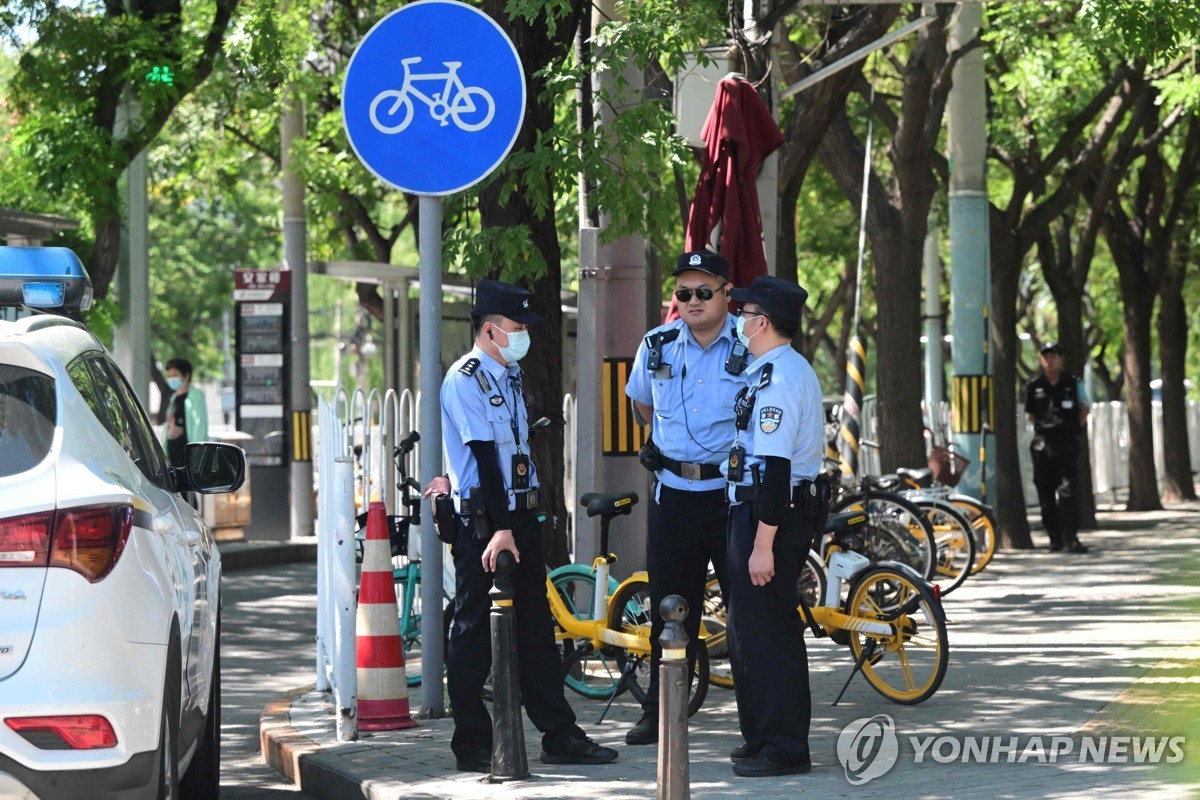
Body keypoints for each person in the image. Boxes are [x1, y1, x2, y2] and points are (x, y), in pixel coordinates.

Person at [433, 279, 618, 773]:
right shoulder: (466, 378)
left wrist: (519, 521)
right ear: (490, 329)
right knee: (473, 630)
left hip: (518, 516)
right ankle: (471, 740)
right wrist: (499, 528)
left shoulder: (507, 373)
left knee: (536, 627)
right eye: (517, 327)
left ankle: (558, 732)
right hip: (486, 522)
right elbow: (484, 459)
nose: (523, 335)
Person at [621, 250, 746, 745]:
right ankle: (661, 710)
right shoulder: (658, 344)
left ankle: (754, 720)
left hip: (730, 496)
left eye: (702, 291)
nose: (691, 301)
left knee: (744, 613)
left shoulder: (749, 342)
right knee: (670, 608)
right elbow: (641, 401)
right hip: (673, 495)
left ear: (726, 294)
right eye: (682, 293)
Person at [723, 275, 824, 778]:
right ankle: (762, 735)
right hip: (759, 509)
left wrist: (763, 544)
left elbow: (777, 470)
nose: (738, 320)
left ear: (762, 322)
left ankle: (785, 748)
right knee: (749, 630)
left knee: (770, 633)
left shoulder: (780, 378)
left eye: (744, 314)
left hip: (772, 516)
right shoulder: (771, 370)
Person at [1025, 341, 1090, 554]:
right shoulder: (1034, 386)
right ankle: (1055, 539)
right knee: (1045, 493)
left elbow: (1084, 409)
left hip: (1067, 444)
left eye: (1053, 355)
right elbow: (1032, 415)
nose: (1049, 360)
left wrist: (1069, 429)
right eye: (1045, 356)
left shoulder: (1073, 382)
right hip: (1043, 445)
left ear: (1061, 358)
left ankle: (1071, 538)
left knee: (1068, 491)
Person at [162, 357, 208, 469]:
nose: (171, 379)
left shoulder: (196, 396)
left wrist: (196, 454)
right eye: (169, 376)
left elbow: (199, 424)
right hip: (173, 455)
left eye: (175, 375)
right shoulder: (174, 398)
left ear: (186, 376)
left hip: (188, 456)